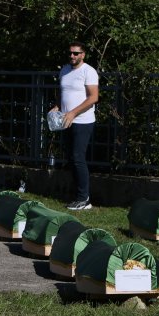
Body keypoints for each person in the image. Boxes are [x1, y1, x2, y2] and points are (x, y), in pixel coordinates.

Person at [50, 41, 99, 211]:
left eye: (76, 53)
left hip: (82, 121)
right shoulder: (64, 70)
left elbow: (93, 98)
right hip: (66, 119)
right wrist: (58, 106)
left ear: (83, 54)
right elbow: (63, 92)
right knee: (71, 158)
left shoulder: (88, 72)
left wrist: (73, 113)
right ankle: (77, 195)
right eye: (70, 53)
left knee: (78, 157)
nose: (72, 56)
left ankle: (84, 199)